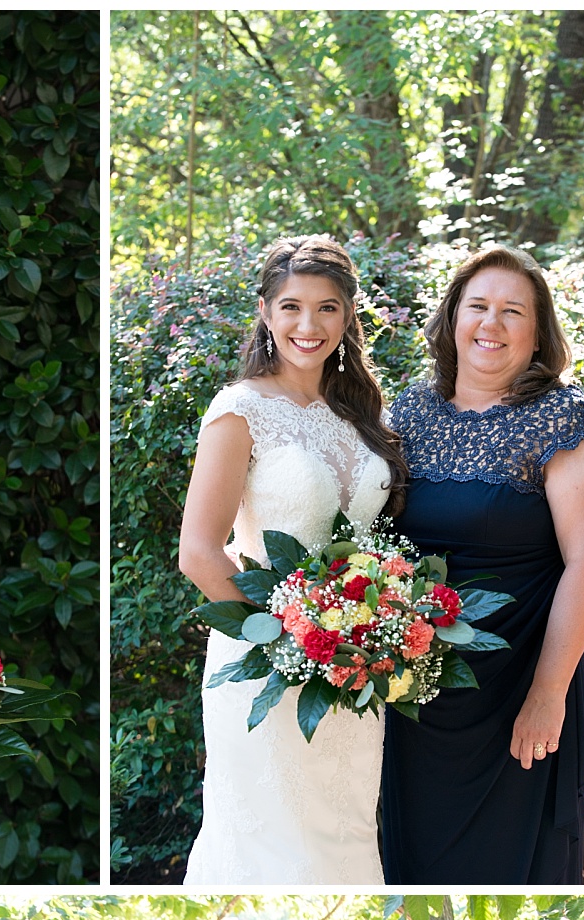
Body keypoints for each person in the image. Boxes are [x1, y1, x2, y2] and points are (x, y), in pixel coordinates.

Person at [382, 245, 584, 882]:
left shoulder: (560, 420)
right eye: (478, 306)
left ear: (538, 334)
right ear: (452, 318)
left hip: (518, 689)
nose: (492, 323)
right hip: (414, 696)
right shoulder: (406, 414)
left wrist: (547, 694)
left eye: (513, 311)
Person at [179, 237, 407, 882]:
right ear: (265, 312)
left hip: (356, 662)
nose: (309, 326)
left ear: (347, 317)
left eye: (328, 308)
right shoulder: (239, 411)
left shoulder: (361, 415)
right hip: (267, 665)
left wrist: (371, 627)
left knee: (347, 835)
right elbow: (199, 551)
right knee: (271, 845)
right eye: (292, 307)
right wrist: (287, 640)